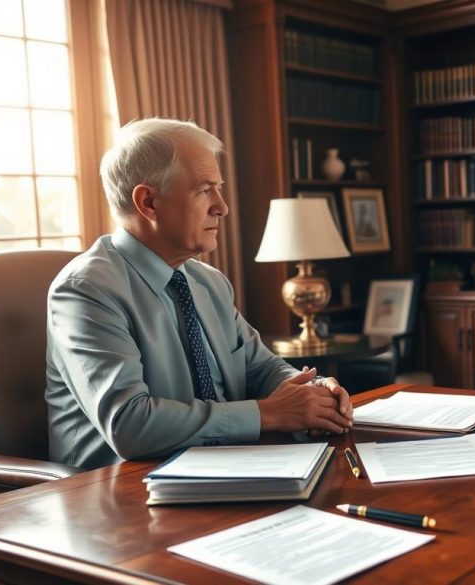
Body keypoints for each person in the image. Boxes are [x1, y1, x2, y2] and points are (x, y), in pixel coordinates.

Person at [46, 118, 353, 470]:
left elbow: (261, 368)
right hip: (121, 493)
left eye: (218, 189)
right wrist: (268, 414)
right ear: (148, 202)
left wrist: (313, 393)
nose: (221, 206)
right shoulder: (85, 291)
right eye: (205, 189)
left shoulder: (209, 282)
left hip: (226, 470)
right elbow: (129, 424)